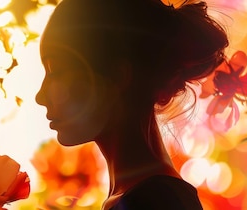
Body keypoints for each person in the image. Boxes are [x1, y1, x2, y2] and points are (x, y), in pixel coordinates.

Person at [34, 0, 229, 209]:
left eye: (56, 71)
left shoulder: (157, 200)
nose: (40, 97)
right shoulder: (147, 196)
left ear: (118, 77)